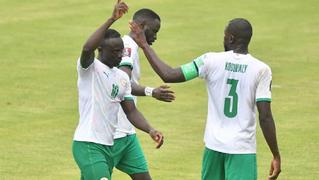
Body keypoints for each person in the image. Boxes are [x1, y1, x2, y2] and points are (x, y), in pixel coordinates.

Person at [129, 18, 281, 180]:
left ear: (230, 39)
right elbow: (265, 117)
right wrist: (276, 155)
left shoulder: (209, 60)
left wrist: (144, 45)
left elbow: (168, 74)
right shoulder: (261, 70)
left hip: (213, 147)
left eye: (225, 35)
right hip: (242, 150)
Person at [72, 1, 163, 179]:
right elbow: (86, 48)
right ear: (101, 50)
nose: (120, 56)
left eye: (121, 52)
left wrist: (150, 130)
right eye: (115, 52)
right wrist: (111, 19)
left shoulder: (121, 78)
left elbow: (131, 111)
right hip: (89, 144)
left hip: (110, 143)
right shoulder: (90, 69)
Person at [112, 8, 170, 180]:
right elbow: (123, 82)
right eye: (154, 31)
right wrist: (152, 91)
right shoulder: (127, 47)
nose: (155, 37)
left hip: (127, 133)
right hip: (114, 134)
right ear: (142, 27)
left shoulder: (133, 47)